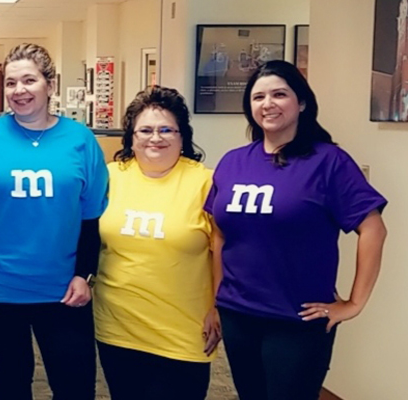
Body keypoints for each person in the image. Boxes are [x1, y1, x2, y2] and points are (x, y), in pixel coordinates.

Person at [206, 60, 388, 400]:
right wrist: (218, 299)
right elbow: (219, 235)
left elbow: (373, 229)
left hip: (296, 320)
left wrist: (353, 303)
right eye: (258, 97)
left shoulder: (329, 161)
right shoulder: (232, 162)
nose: (267, 104)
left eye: (279, 94)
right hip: (238, 314)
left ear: (301, 102)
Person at [0, 43, 108, 400]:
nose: (19, 91)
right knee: (10, 381)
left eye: (29, 81)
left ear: (50, 85)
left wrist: (85, 274)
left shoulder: (80, 140)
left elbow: (90, 217)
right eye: (11, 83)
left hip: (63, 288)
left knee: (76, 384)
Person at [92, 86, 219, 400]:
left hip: (184, 330)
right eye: (145, 130)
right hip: (117, 324)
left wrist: (218, 308)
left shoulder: (206, 182)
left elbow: (225, 253)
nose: (155, 138)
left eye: (166, 129)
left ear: (182, 136)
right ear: (131, 137)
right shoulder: (110, 177)